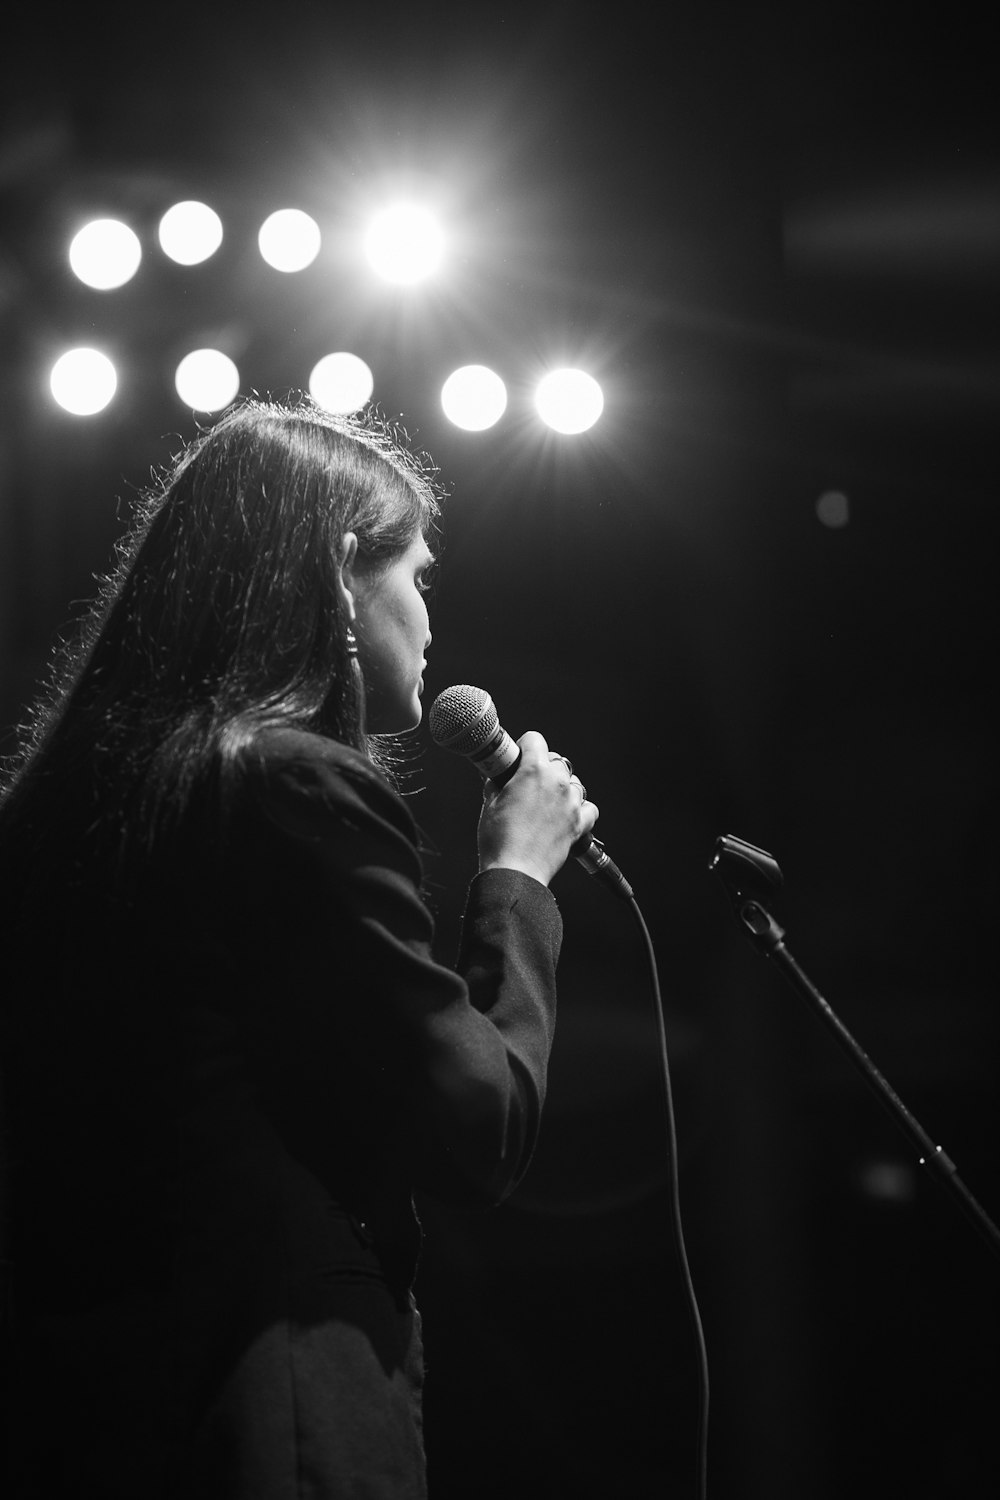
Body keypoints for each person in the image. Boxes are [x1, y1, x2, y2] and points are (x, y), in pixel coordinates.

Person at [0, 396, 597, 1498]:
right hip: (271, 1394)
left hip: (80, 1399)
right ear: (337, 568)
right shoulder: (294, 779)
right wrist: (517, 880)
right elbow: (480, 1124)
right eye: (417, 576)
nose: (429, 618)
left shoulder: (72, 809)